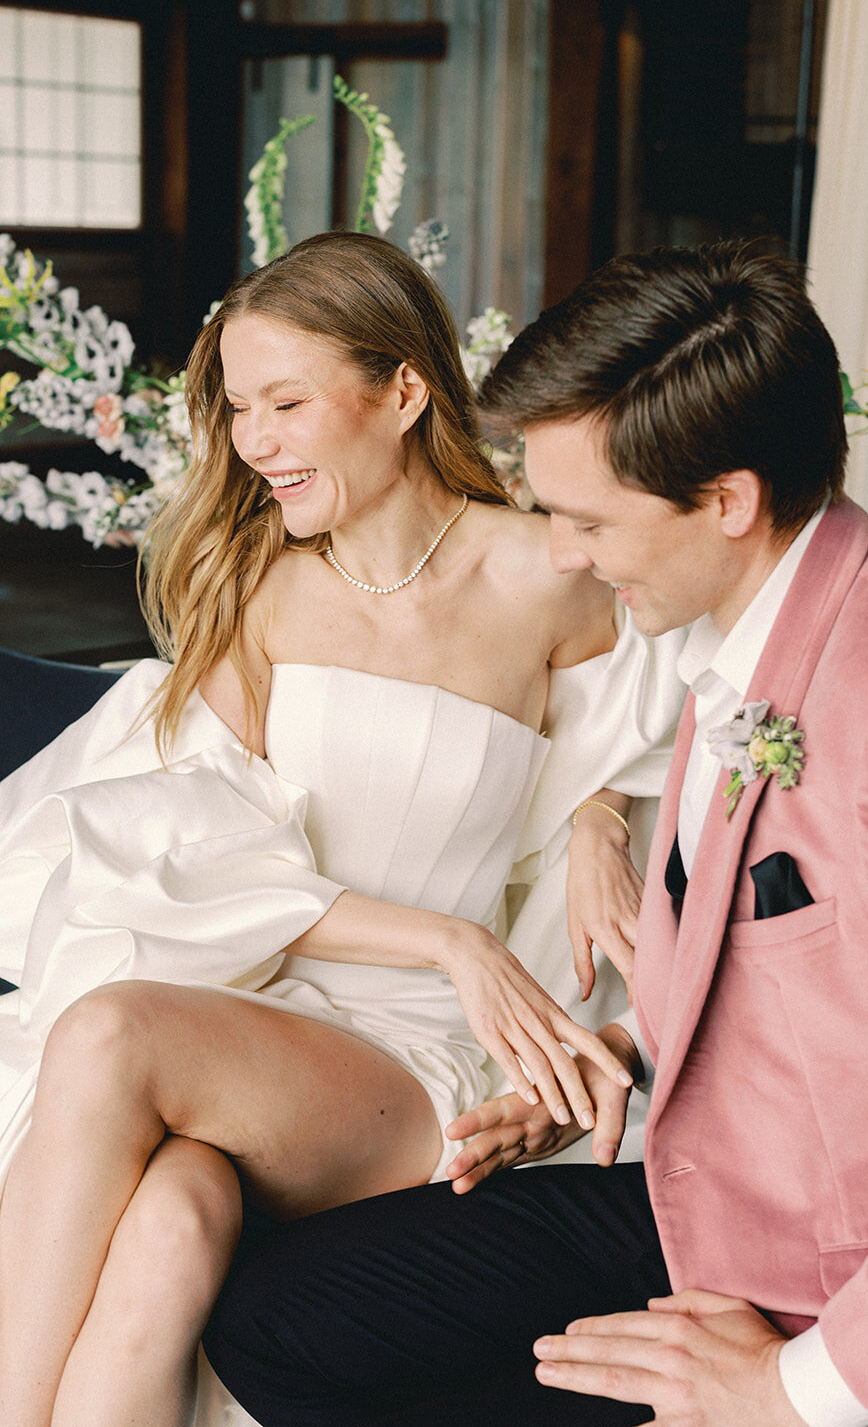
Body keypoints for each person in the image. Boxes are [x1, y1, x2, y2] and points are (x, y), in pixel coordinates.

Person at [206, 238, 868, 1427]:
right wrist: (608, 1065)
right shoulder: (734, 631)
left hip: (840, 1284)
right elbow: (827, 990)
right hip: (698, 1196)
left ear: (725, 501)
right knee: (276, 1318)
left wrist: (793, 1389)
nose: (558, 554)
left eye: (585, 521)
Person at [0, 231, 685, 1427]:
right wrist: (440, 936)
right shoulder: (256, 588)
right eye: (237, 408)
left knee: (111, 1037)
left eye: (286, 401)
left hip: (414, 1054)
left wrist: (598, 821)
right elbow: (198, 843)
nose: (254, 440)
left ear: (404, 390)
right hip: (261, 1002)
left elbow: (659, 720)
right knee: (172, 1219)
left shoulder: (549, 569)